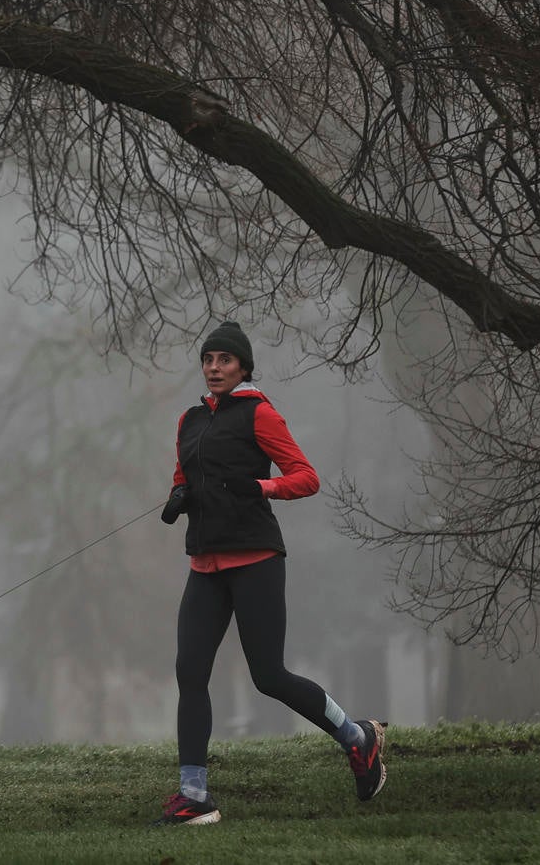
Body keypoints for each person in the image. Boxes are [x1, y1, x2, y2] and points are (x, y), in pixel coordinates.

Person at [153, 320, 386, 826]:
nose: (214, 368)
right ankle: (194, 797)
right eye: (209, 359)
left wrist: (260, 486)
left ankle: (357, 737)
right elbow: (184, 474)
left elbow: (306, 478)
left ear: (243, 368)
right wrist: (179, 496)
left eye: (225, 360)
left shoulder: (260, 415)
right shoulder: (189, 420)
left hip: (256, 559)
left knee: (268, 676)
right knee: (189, 672)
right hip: (205, 563)